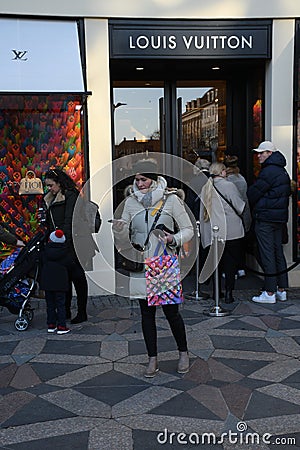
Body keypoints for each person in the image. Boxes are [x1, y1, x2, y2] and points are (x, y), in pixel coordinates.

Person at [113, 158, 194, 378]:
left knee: (171, 313)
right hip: (139, 262)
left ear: (154, 179)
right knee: (146, 314)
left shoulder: (171, 201)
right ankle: (152, 359)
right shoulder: (130, 202)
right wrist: (119, 229)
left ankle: (183, 352)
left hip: (163, 263)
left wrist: (173, 238)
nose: (138, 183)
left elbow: (188, 230)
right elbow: (125, 234)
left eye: (143, 179)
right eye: (136, 179)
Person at [43, 169, 89, 324]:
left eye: (51, 185)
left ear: (59, 183)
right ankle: (66, 310)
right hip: (61, 243)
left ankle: (82, 312)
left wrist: (63, 241)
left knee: (78, 277)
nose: (49, 188)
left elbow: (71, 220)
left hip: (75, 243)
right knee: (65, 278)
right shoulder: (51, 198)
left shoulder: (71, 195)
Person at [247, 140, 291, 304]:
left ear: (270, 154)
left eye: (262, 152)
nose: (258, 156)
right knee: (277, 252)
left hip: (266, 218)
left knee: (267, 254)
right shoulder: (282, 171)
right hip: (278, 218)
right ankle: (281, 289)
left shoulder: (268, 171)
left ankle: (270, 292)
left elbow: (252, 194)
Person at [200, 162, 245, 303]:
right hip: (231, 231)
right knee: (230, 263)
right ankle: (228, 293)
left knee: (216, 264)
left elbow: (202, 213)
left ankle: (216, 291)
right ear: (223, 172)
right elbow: (239, 206)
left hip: (214, 232)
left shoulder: (205, 188)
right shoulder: (229, 185)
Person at [40, 229, 73, 334]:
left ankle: (51, 324)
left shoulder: (45, 251)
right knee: (60, 304)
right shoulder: (65, 252)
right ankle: (62, 326)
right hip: (61, 282)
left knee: (50, 304)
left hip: (47, 282)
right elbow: (70, 265)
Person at [224, 154, 252, 278]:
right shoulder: (241, 178)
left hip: (231, 215)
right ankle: (241, 267)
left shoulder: (227, 181)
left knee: (230, 246)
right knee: (240, 243)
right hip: (243, 212)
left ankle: (232, 270)